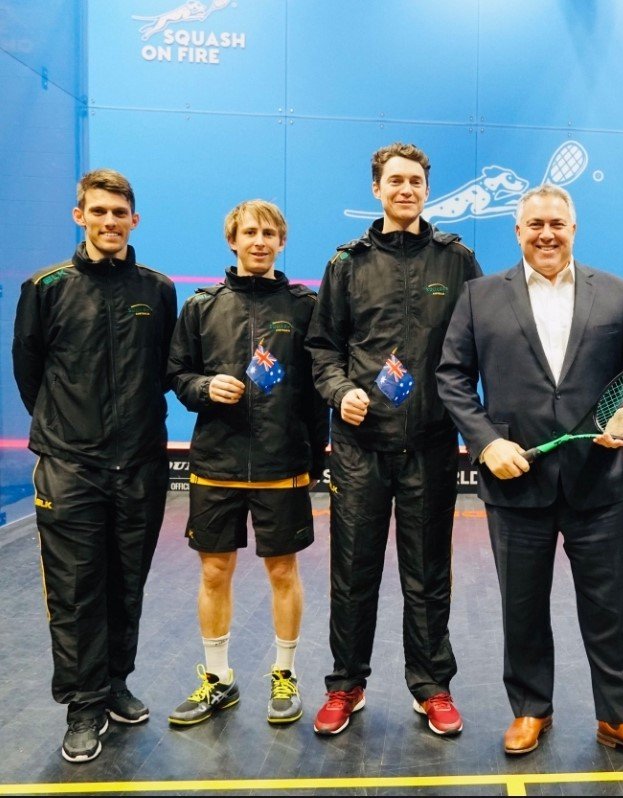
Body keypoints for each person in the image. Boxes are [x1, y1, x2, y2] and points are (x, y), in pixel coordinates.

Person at [436, 184, 623, 766]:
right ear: (517, 232)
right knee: (521, 607)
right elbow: (451, 377)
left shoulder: (618, 294)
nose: (547, 234)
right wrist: (488, 442)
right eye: (535, 224)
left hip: (598, 482)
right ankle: (530, 709)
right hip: (514, 483)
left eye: (558, 224)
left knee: (608, 608)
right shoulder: (478, 296)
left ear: (575, 228)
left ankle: (620, 717)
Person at [306, 143, 482, 737]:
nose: (405, 190)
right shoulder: (346, 264)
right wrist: (338, 391)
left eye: (415, 181)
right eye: (395, 181)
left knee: (428, 572)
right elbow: (322, 347)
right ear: (377, 190)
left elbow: (481, 344)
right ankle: (346, 685)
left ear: (426, 190)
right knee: (353, 571)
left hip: (431, 444)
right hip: (359, 448)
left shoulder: (457, 261)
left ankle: (431, 686)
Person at [12, 169, 176, 763]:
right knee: (77, 590)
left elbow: (164, 369)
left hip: (140, 464)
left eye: (120, 213)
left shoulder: (158, 290)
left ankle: (114, 684)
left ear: (135, 220)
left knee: (126, 581)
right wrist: (66, 433)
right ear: (79, 216)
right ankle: (82, 704)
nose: (110, 222)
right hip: (69, 467)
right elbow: (30, 373)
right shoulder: (47, 286)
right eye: (99, 212)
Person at [166, 199, 328, 727]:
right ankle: (218, 680)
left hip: (284, 464)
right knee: (215, 571)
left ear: (282, 242)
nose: (260, 241)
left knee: (283, 570)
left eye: (270, 234)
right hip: (216, 462)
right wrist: (206, 386)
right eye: (250, 233)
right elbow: (178, 377)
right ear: (232, 240)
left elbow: (316, 391)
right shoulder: (200, 307)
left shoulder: (306, 307)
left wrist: (317, 460)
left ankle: (285, 674)